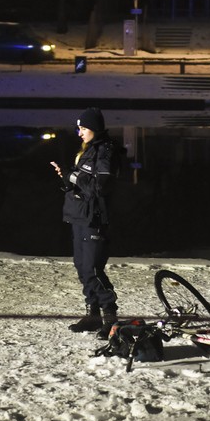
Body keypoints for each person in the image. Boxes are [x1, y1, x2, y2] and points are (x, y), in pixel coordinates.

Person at [51, 107, 119, 339]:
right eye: (78, 129)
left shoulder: (105, 151)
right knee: (82, 267)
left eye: (83, 128)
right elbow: (81, 183)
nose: (79, 133)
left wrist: (72, 176)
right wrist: (66, 178)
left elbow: (100, 187)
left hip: (94, 218)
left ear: (95, 129)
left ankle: (110, 317)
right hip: (78, 215)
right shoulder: (88, 150)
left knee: (92, 269)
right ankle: (93, 314)